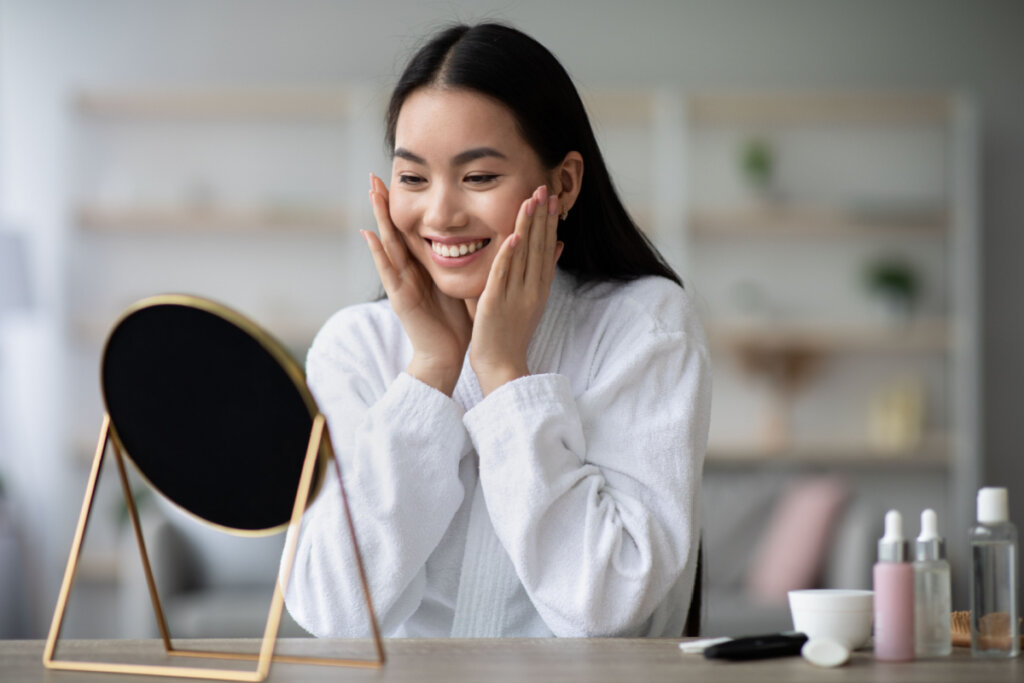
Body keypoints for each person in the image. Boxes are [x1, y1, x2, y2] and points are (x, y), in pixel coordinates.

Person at [283, 22, 711, 638]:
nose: (439, 214)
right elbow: (333, 612)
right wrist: (430, 370)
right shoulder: (355, 346)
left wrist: (505, 373)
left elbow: (607, 605)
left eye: (478, 177)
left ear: (563, 183)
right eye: (411, 177)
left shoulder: (644, 326)